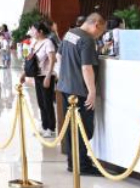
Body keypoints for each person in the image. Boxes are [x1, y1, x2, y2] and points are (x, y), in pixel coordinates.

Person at [57, 12, 108, 175]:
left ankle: (73, 162)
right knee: (83, 128)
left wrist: (66, 73)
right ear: (96, 25)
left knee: (72, 127)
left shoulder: (70, 33)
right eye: (101, 31)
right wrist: (92, 91)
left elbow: (59, 56)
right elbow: (86, 67)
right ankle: (82, 165)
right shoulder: (87, 40)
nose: (100, 35)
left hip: (65, 88)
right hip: (80, 91)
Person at [19, 21, 58, 137]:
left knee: (48, 102)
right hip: (37, 75)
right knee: (41, 102)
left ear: (40, 31)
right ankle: (44, 126)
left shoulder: (48, 43)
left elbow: (52, 60)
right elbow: (29, 60)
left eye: (33, 29)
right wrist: (24, 74)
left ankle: (51, 128)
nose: (32, 32)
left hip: (46, 76)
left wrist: (48, 76)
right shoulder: (34, 43)